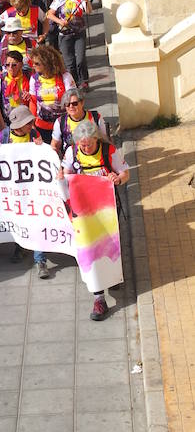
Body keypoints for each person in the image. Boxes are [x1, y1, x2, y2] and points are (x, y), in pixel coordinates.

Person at [61, 120, 130, 322]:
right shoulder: (71, 153)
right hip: (83, 214)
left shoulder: (108, 150)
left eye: (89, 144)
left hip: (107, 211)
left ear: (96, 139)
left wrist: (117, 179)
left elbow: (125, 173)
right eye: (82, 145)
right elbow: (66, 178)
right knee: (91, 252)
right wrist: (61, 178)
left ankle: (113, 276)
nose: (85, 148)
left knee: (110, 247)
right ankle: (99, 298)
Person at [3, 106, 48, 276]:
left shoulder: (34, 135)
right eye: (28, 122)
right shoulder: (5, 136)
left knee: (36, 220)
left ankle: (40, 260)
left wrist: (40, 146)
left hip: (33, 186)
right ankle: (20, 246)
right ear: (18, 125)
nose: (31, 124)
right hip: (13, 188)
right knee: (18, 218)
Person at [47, 0, 91, 89]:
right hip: (64, 34)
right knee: (70, 63)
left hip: (79, 32)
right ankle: (74, 84)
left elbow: (89, 11)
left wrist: (88, 2)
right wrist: (60, 22)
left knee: (80, 59)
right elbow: (49, 14)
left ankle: (84, 80)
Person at [28, 45, 75, 143]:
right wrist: (32, 124)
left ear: (47, 63)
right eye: (33, 63)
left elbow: (74, 100)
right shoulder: (34, 79)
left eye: (37, 63)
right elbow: (33, 103)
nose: (33, 65)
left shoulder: (65, 77)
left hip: (64, 124)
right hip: (42, 126)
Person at [51, 87, 108, 156]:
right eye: (67, 104)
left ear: (82, 103)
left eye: (74, 103)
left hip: (95, 158)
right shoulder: (60, 122)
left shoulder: (96, 118)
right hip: (71, 161)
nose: (71, 106)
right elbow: (55, 146)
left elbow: (105, 141)